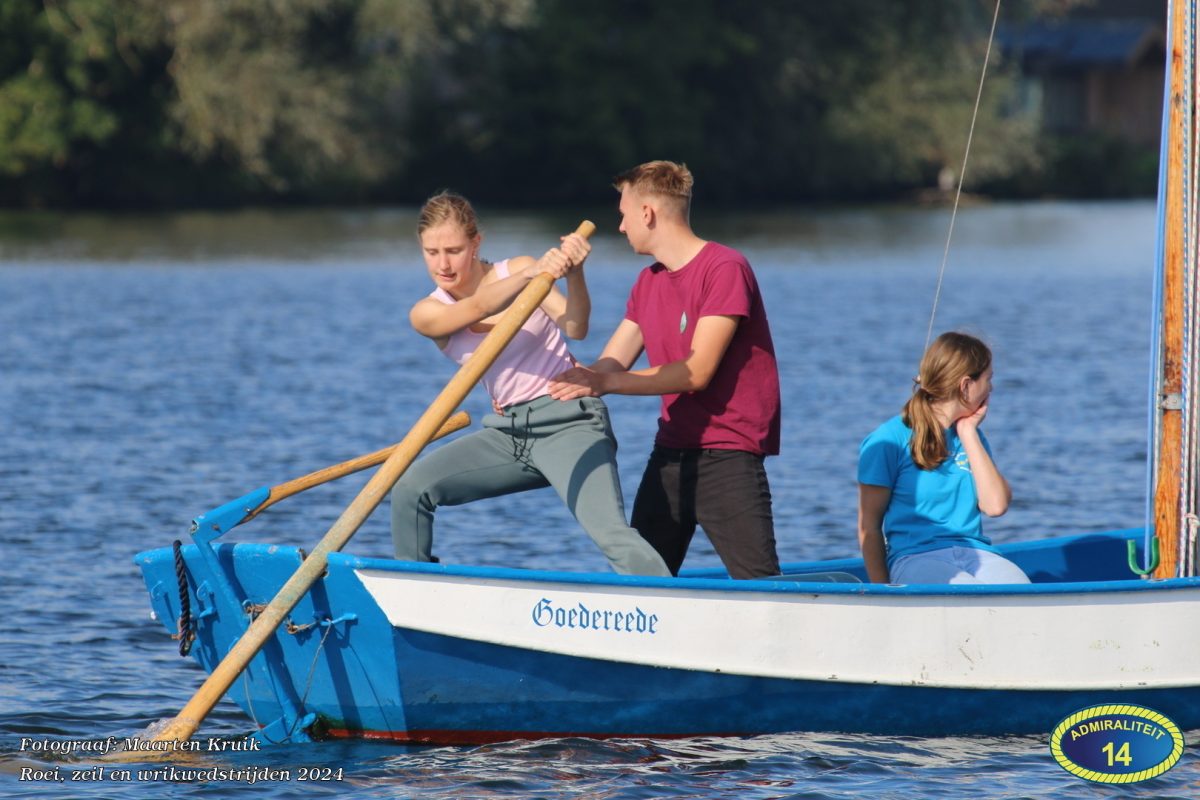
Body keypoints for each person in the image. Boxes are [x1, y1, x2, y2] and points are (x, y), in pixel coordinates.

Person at [389, 191, 671, 577]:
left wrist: (574, 274)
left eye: (453, 250)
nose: (443, 264)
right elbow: (478, 307)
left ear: (476, 243)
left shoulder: (518, 267)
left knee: (611, 535)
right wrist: (533, 274)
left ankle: (672, 603)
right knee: (411, 489)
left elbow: (576, 326)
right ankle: (413, 590)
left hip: (568, 422)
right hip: (508, 433)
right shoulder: (427, 311)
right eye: (431, 252)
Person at [547, 161, 781, 579]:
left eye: (623, 214)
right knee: (638, 584)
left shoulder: (725, 268)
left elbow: (696, 372)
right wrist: (548, 380)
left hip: (728, 457)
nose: (621, 226)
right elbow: (608, 364)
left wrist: (603, 382)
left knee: (761, 587)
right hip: (670, 455)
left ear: (647, 213)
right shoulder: (648, 281)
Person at [856, 331, 1031, 585]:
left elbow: (995, 506)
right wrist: (884, 593)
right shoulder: (888, 440)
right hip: (914, 558)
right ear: (965, 386)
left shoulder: (973, 438)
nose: (991, 388)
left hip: (977, 553)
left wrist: (968, 433)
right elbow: (869, 528)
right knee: (966, 592)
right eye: (988, 379)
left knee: (1020, 589)